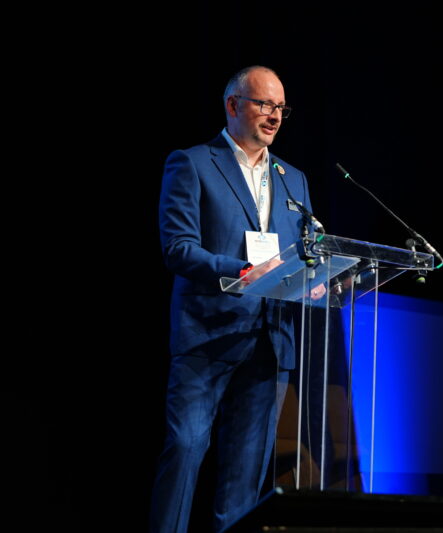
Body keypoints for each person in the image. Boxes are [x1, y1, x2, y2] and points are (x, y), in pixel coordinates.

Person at [151, 66, 315, 533]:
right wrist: (241, 271)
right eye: (265, 104)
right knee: (184, 450)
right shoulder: (193, 162)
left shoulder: (294, 180)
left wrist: (316, 277)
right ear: (233, 105)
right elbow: (178, 248)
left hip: (270, 339)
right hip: (208, 335)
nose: (275, 115)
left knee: (245, 478)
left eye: (281, 107)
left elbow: (306, 251)